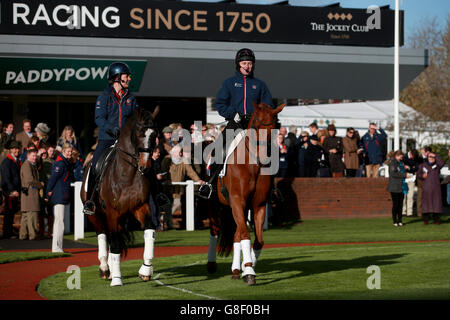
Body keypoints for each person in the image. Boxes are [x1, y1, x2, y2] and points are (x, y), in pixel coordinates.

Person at [199, 48, 274, 198]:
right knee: (218, 149)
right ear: (238, 65)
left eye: (250, 63)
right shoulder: (229, 83)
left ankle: (272, 188)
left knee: (271, 151)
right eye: (244, 63)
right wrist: (233, 114)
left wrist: (259, 116)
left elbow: (268, 106)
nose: (247, 66)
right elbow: (220, 104)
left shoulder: (260, 85)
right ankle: (210, 184)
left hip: (254, 126)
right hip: (235, 123)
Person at [83, 62, 139, 214]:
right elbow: (99, 119)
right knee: (95, 166)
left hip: (126, 141)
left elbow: (136, 119)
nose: (129, 79)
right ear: (117, 77)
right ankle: (90, 201)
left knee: (146, 162)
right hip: (107, 139)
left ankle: (155, 196)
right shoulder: (104, 97)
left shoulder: (131, 98)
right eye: (126, 76)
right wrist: (112, 129)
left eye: (128, 76)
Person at [167, 145, 205, 230]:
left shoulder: (184, 160)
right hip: (167, 188)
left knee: (176, 204)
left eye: (181, 152)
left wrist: (198, 180)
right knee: (167, 206)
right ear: (175, 153)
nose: (181, 154)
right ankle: (165, 224)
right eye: (180, 152)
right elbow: (163, 171)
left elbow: (191, 172)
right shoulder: (167, 160)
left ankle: (168, 224)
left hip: (179, 189)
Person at [46, 143, 74, 252]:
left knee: (59, 221)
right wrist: (48, 192)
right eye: (68, 151)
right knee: (59, 222)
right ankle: (57, 247)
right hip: (59, 195)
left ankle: (58, 247)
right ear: (63, 152)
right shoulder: (60, 163)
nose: (70, 154)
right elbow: (53, 179)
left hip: (62, 195)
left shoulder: (65, 163)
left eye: (71, 152)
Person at [19, 148, 44, 240]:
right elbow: (30, 180)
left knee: (26, 216)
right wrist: (40, 184)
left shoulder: (31, 165)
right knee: (32, 215)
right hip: (30, 194)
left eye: (35, 156)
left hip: (28, 194)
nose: (35, 158)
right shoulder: (27, 165)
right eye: (33, 156)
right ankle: (32, 235)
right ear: (28, 156)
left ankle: (23, 235)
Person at [0, 140, 22, 238]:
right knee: (8, 212)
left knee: (12, 211)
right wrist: (12, 190)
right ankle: (7, 233)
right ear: (11, 150)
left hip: (15, 190)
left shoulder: (16, 160)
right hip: (9, 191)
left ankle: (9, 231)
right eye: (15, 148)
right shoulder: (7, 161)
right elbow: (6, 178)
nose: (17, 150)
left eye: (17, 148)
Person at [417, 152, 445, 225]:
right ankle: (426, 220)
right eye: (430, 157)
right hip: (426, 187)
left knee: (436, 205)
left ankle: (436, 220)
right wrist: (422, 176)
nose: (431, 159)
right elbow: (418, 174)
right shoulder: (422, 165)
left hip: (436, 188)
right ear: (427, 158)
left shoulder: (437, 166)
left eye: (432, 157)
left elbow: (442, 163)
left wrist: (435, 155)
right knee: (426, 205)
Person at [387, 150, 411, 227]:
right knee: (396, 205)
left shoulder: (400, 163)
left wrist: (405, 169)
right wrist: (404, 175)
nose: (402, 158)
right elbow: (393, 173)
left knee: (400, 205)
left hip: (401, 186)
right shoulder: (392, 163)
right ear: (397, 155)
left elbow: (399, 171)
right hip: (394, 187)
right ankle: (395, 221)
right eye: (401, 156)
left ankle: (400, 221)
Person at [402, 149, 419, 217]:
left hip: (412, 178)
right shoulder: (404, 157)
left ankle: (409, 212)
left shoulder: (416, 157)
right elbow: (402, 167)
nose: (413, 158)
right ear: (410, 153)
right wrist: (411, 168)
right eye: (412, 157)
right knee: (404, 196)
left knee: (410, 196)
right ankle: (403, 211)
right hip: (404, 178)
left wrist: (409, 168)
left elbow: (416, 168)